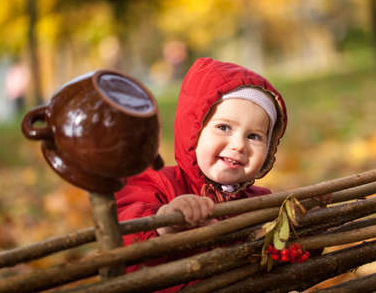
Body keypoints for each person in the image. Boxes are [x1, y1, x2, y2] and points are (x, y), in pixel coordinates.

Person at [115, 57, 288, 291]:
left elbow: (287, 255)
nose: (239, 145)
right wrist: (166, 221)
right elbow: (124, 239)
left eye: (254, 136)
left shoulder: (262, 204)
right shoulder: (157, 183)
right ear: (194, 130)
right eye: (223, 127)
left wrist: (306, 222)